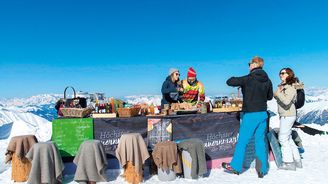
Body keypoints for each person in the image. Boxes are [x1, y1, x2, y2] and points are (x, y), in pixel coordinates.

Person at [222, 56, 273, 178]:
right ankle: (262, 169)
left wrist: (242, 82)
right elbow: (270, 96)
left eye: (249, 63)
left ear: (255, 64)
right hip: (263, 113)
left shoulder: (249, 78)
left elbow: (229, 81)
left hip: (251, 114)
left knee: (242, 141)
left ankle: (235, 166)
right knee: (260, 141)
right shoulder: (268, 80)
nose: (248, 65)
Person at [274, 68, 302, 170]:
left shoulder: (290, 86)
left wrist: (278, 93)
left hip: (288, 114)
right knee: (288, 138)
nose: (280, 75)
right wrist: (278, 92)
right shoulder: (283, 86)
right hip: (285, 114)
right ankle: (297, 161)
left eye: (283, 73)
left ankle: (289, 163)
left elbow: (286, 102)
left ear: (289, 74)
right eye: (280, 73)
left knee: (282, 139)